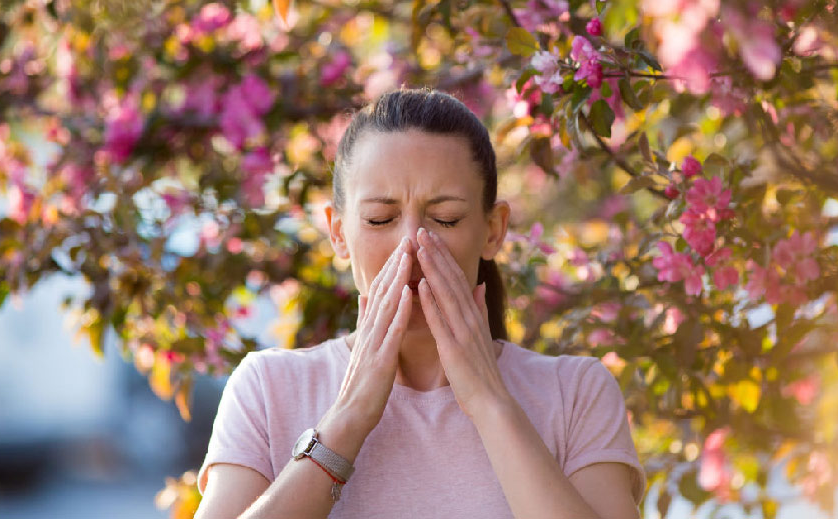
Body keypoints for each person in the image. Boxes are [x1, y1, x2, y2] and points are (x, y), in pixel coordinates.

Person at [193, 87, 646, 519]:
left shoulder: (576, 393)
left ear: (493, 229)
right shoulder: (267, 388)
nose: (410, 242)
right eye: (380, 218)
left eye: (445, 219)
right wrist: (347, 420)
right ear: (337, 232)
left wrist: (489, 402)